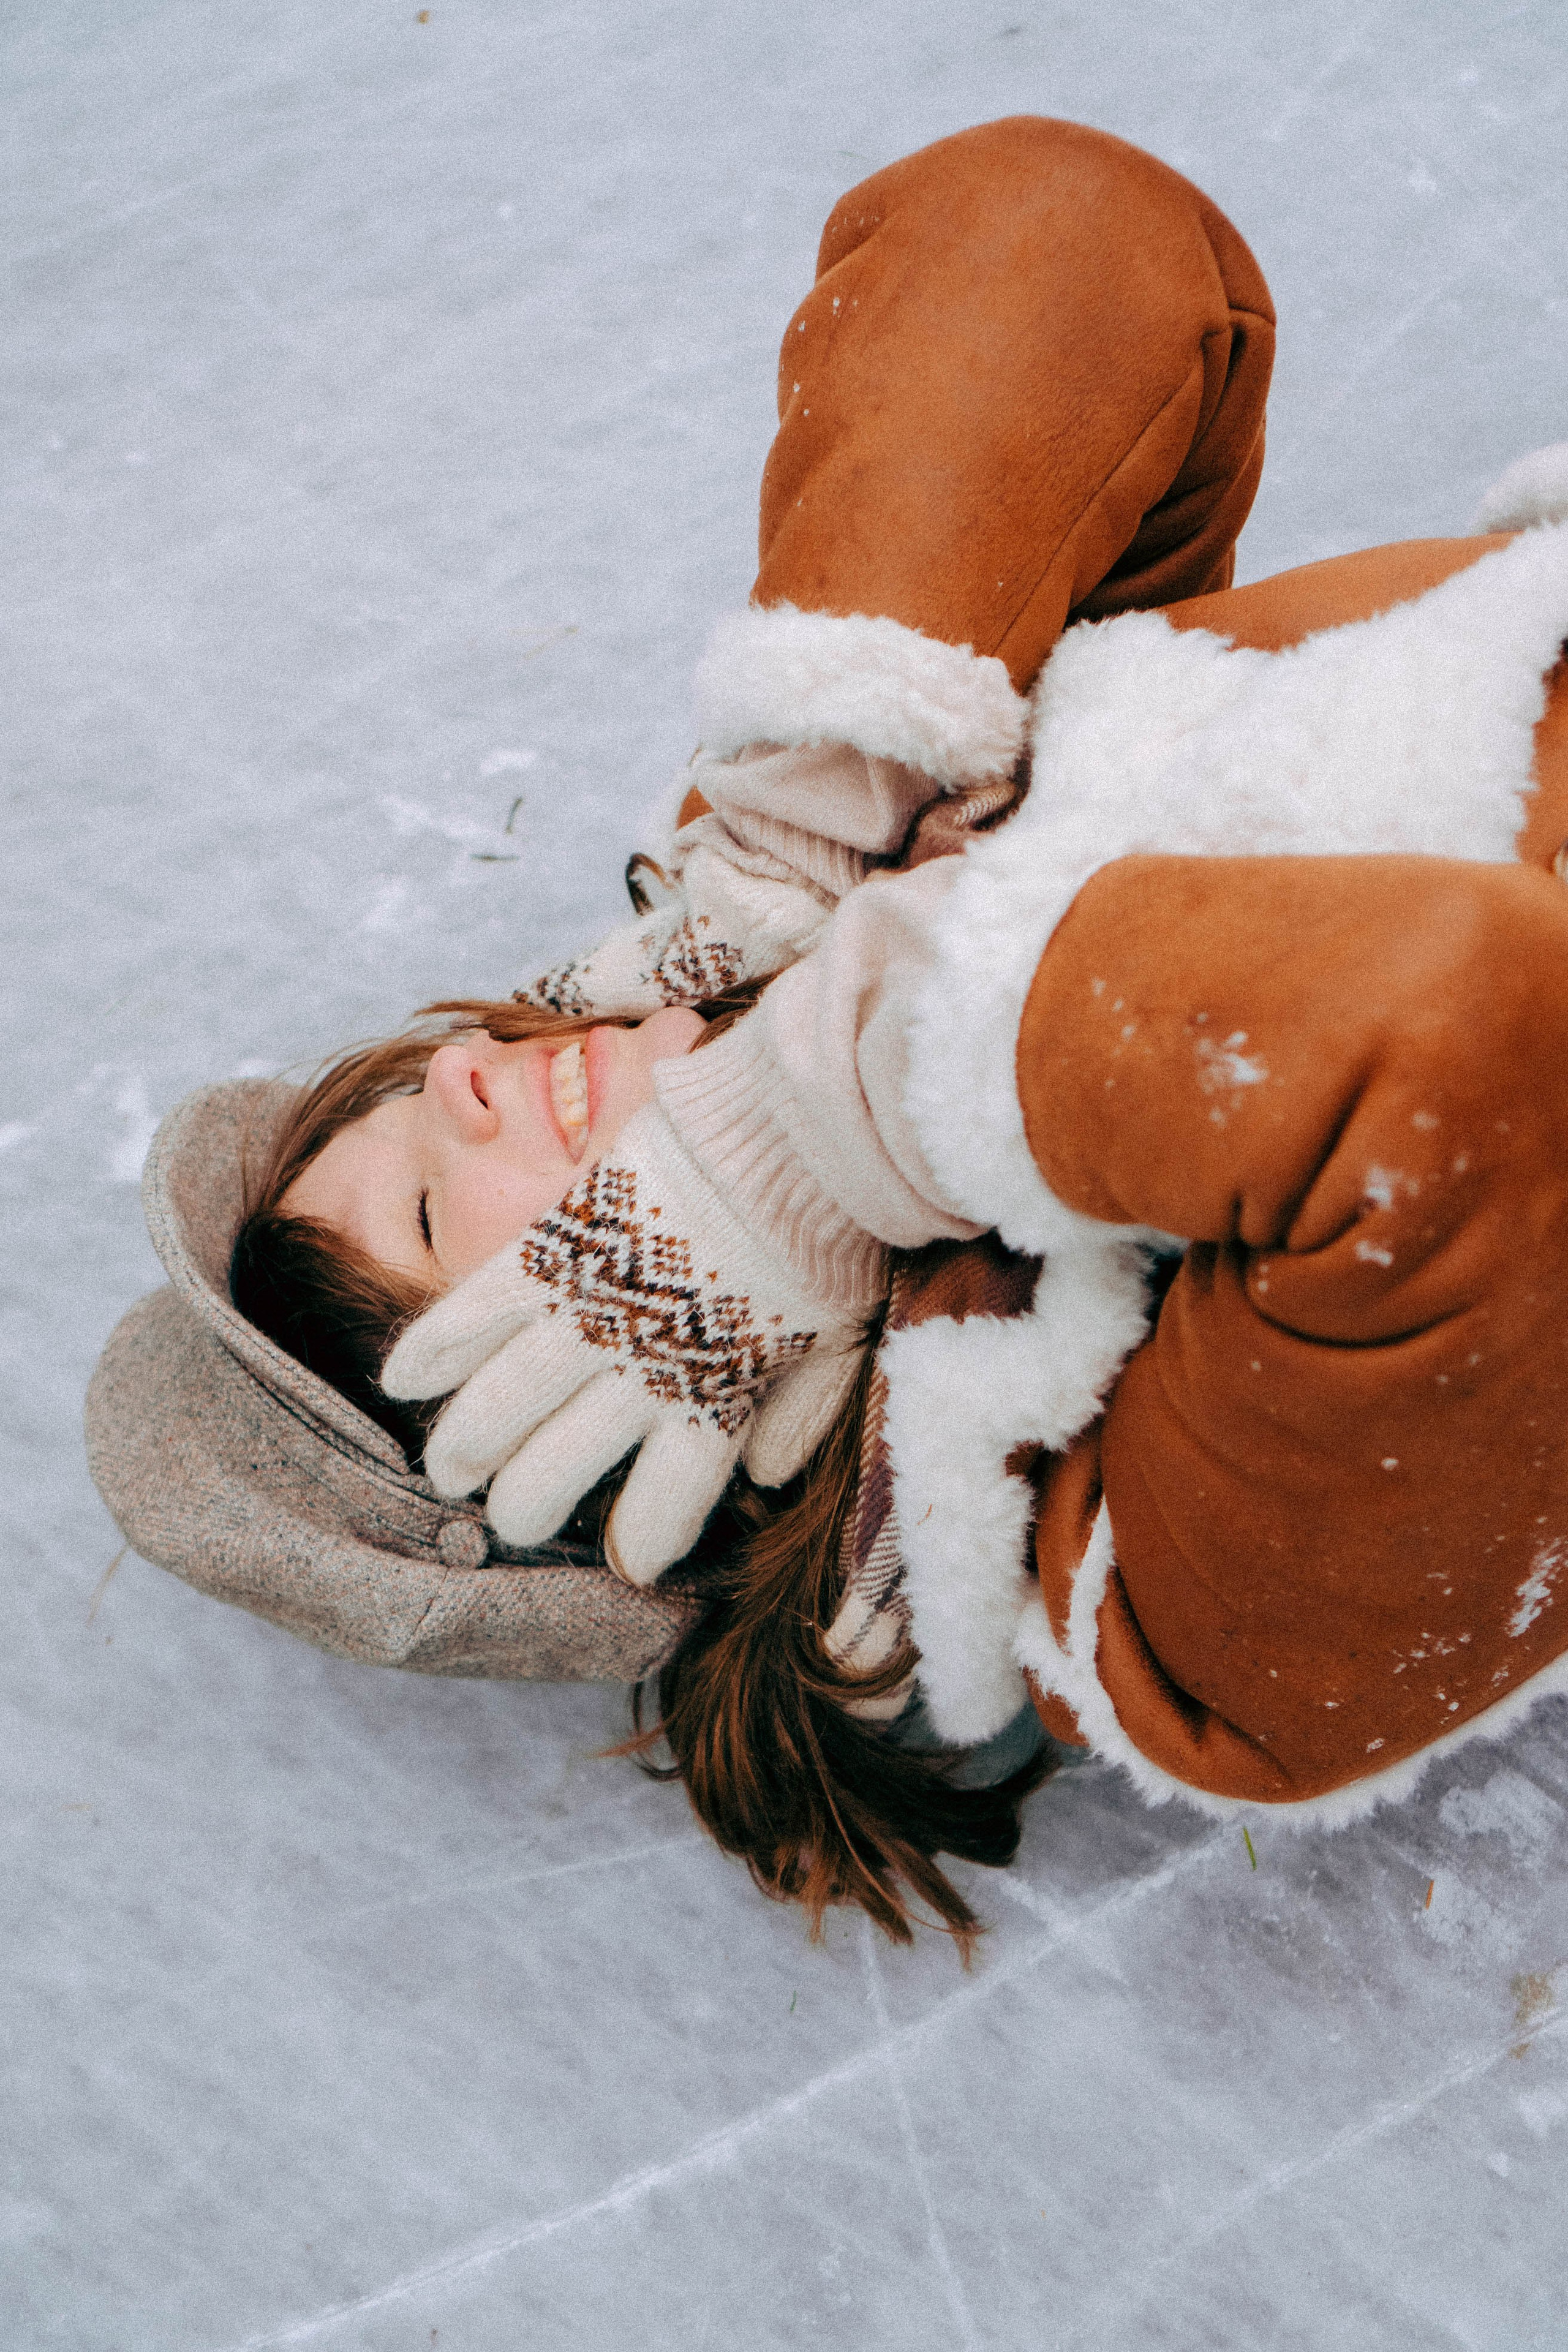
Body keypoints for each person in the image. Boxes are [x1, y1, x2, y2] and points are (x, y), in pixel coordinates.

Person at [85, 113, 1568, 1956]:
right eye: (421, 1216)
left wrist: (827, 785)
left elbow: (1066, 229)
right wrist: (829, 1113)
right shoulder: (1162, 1623)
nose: (460, 1074)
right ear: (583, 1447)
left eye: (396, 1106)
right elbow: (1458, 1047)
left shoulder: (869, 912)